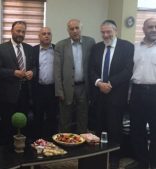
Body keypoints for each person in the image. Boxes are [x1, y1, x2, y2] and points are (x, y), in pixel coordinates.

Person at [89, 20, 134, 169]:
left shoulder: (127, 47)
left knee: (114, 128)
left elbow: (128, 70)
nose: (105, 35)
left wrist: (110, 83)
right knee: (99, 126)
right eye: (103, 32)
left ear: (116, 31)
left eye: (108, 32)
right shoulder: (96, 48)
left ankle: (114, 158)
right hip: (99, 95)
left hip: (117, 95)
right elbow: (91, 69)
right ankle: (99, 155)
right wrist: (99, 83)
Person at [0, 20, 35, 145]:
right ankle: (6, 155)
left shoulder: (29, 48)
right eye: (18, 31)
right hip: (8, 94)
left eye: (23, 31)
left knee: (24, 124)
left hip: (25, 93)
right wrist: (13, 73)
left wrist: (32, 72)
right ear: (12, 31)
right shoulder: (1, 48)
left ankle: (23, 151)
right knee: (7, 126)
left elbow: (34, 67)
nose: (20, 34)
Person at [54, 19, 95, 133]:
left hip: (84, 87)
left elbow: (94, 65)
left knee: (83, 118)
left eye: (77, 28)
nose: (75, 31)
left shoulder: (90, 42)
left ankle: (82, 147)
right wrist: (59, 91)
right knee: (65, 119)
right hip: (66, 88)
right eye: (71, 29)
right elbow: (57, 71)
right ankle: (64, 144)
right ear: (68, 31)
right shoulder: (60, 45)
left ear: (81, 29)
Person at [130, 18, 156, 169]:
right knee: (137, 129)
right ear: (143, 29)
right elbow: (130, 72)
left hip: (155, 93)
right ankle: (142, 161)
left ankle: (153, 162)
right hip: (137, 92)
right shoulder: (135, 48)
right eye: (150, 27)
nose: (153, 29)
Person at [32, 27, 59, 138]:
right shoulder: (32, 50)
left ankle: (52, 143)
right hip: (38, 89)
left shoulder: (57, 49)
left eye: (49, 33)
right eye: (43, 34)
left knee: (52, 118)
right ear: (39, 36)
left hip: (53, 89)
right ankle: (37, 142)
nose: (46, 36)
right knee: (37, 117)